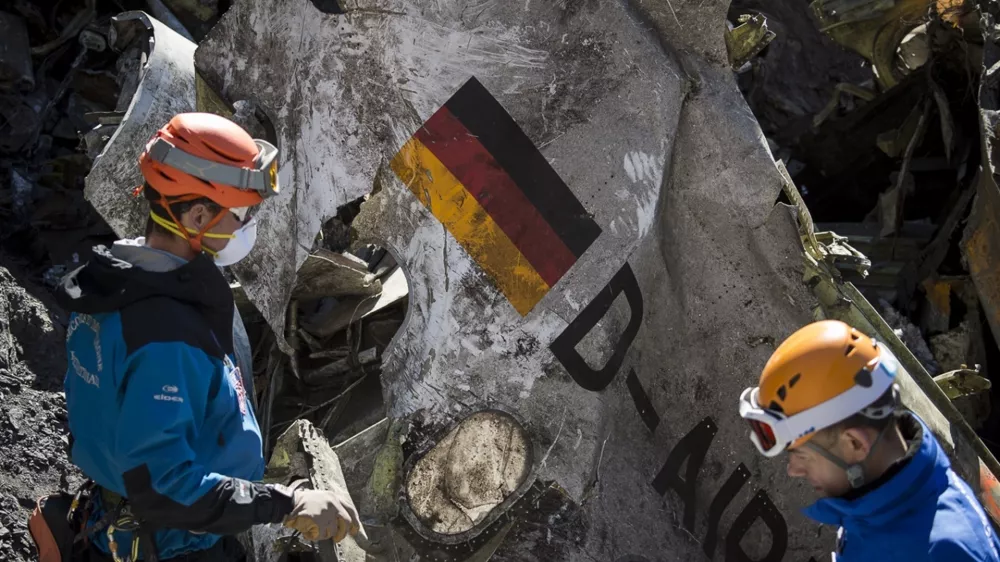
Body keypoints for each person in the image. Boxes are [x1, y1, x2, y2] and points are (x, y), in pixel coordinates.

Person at [50, 113, 364, 561]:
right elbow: (164, 487)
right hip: (175, 545)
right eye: (241, 213)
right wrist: (287, 503)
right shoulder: (165, 336)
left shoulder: (117, 285)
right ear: (198, 215)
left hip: (126, 523)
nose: (248, 225)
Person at [738, 319, 1000, 562]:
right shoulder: (881, 504)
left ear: (855, 444)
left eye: (801, 454)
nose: (793, 470)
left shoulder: (942, 551)